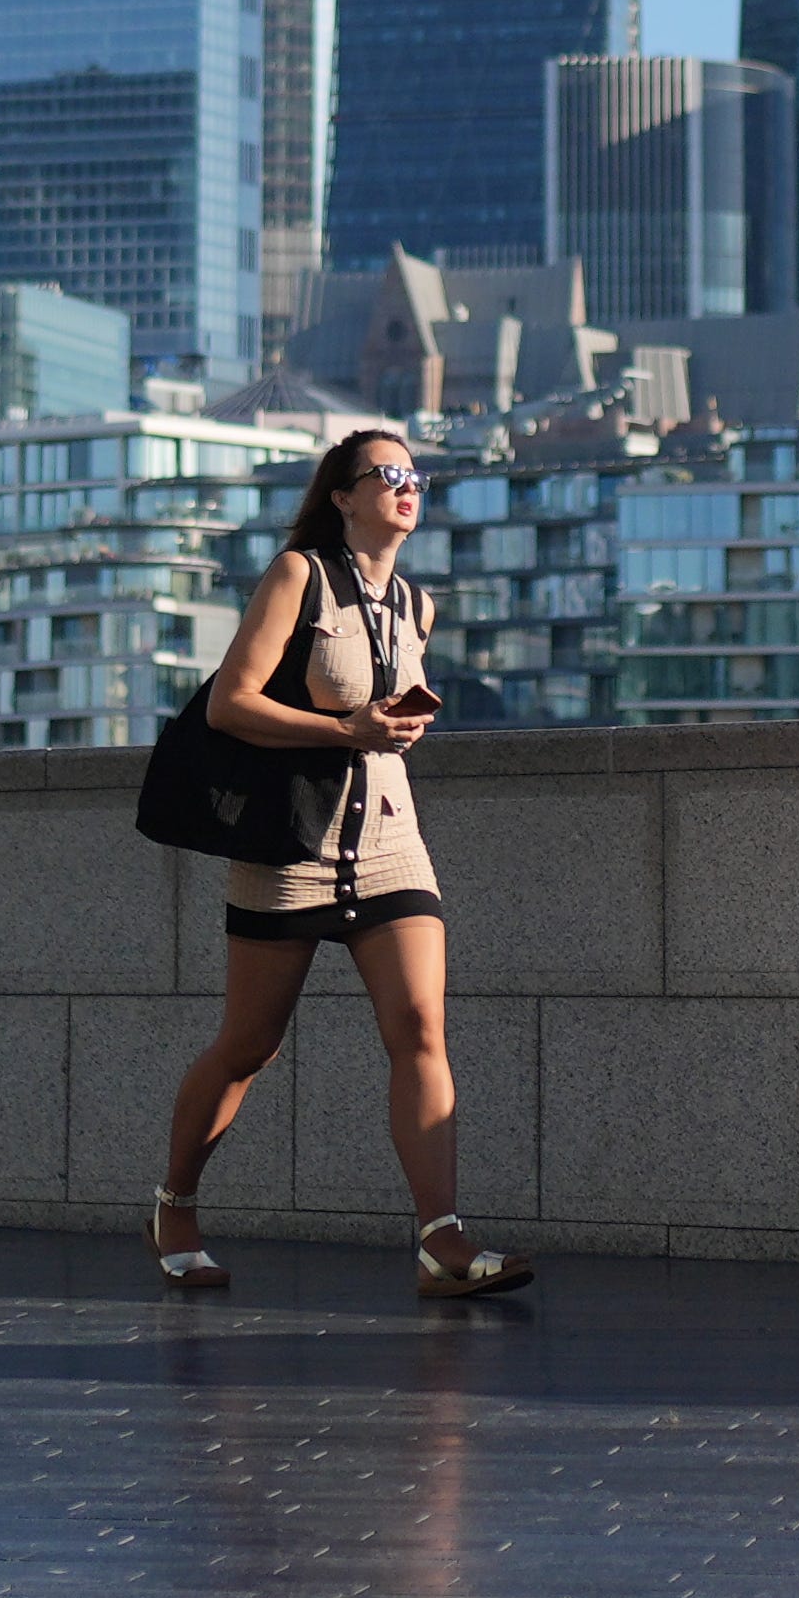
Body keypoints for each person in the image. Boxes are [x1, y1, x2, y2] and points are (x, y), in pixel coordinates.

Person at [149, 423, 534, 1302]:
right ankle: (175, 1203)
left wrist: (395, 726)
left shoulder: (416, 606)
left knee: (421, 1031)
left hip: (392, 841)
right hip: (291, 846)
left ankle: (442, 1239)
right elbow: (230, 706)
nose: (407, 487)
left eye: (416, 476)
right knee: (249, 1047)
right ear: (342, 495)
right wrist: (345, 729)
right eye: (386, 474)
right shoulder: (299, 578)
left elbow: (380, 724)